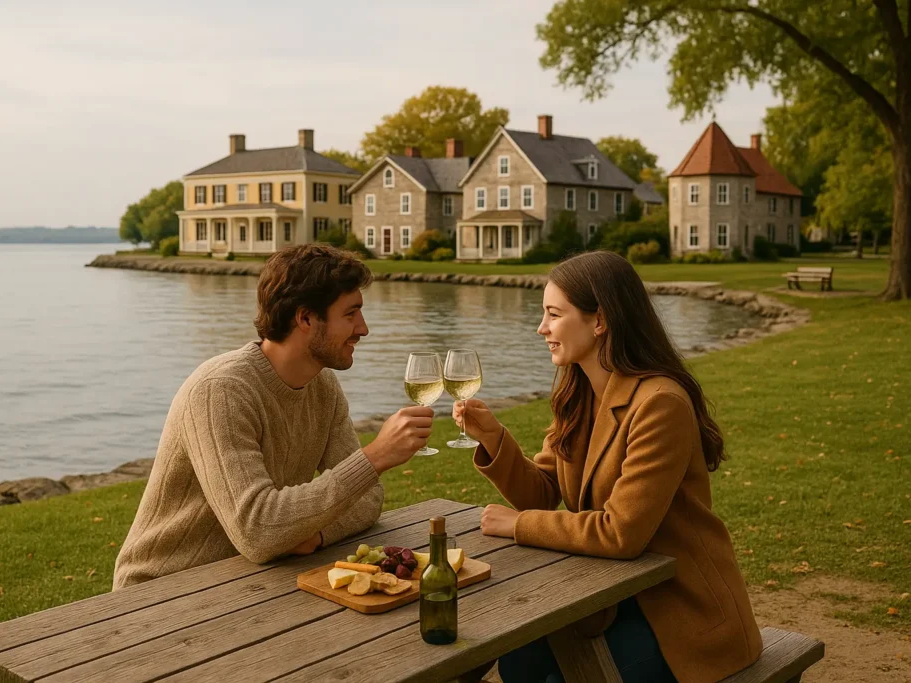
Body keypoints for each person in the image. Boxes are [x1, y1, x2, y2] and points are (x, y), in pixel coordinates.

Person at [453, 251, 761, 683]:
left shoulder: (659, 404)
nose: (541, 328)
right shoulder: (578, 392)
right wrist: (492, 437)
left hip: (678, 612)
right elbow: (544, 490)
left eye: (553, 314)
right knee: (518, 662)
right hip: (606, 593)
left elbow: (621, 533)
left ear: (599, 321)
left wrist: (519, 525)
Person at [114, 244, 433, 589]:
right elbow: (258, 530)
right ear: (306, 318)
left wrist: (317, 534)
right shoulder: (220, 391)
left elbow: (367, 499)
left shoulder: (323, 386)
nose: (363, 329)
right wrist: (375, 457)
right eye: (350, 314)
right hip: (161, 590)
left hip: (251, 577)